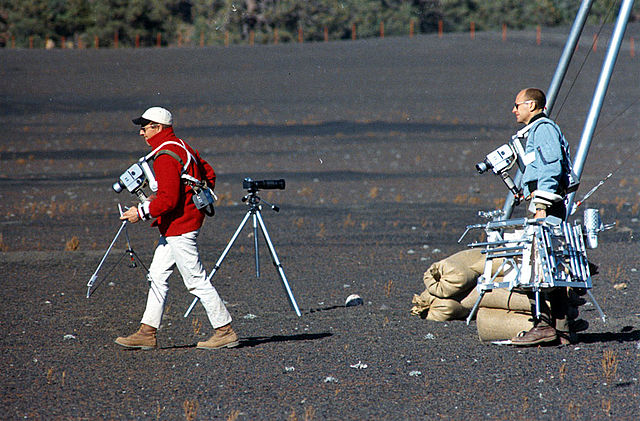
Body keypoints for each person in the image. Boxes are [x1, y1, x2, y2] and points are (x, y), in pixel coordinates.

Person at [115, 106, 238, 351]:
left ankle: (225, 330)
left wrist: (140, 212)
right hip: (181, 223)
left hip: (179, 226)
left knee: (195, 280)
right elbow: (208, 174)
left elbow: (169, 199)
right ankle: (147, 332)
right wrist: (192, 202)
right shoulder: (181, 146)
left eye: (144, 127)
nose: (141, 133)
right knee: (157, 275)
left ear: (157, 128)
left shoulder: (164, 155)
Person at [508, 88, 578, 346]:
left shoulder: (543, 129)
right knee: (551, 264)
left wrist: (541, 203)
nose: (514, 110)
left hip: (547, 205)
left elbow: (552, 165)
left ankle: (544, 325)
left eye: (517, 105)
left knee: (538, 264)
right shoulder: (535, 131)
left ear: (531, 105)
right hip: (545, 203)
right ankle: (560, 329)